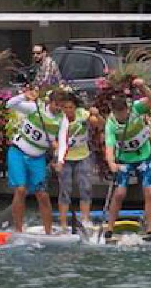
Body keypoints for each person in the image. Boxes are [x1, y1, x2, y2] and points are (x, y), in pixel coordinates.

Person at [6, 87, 69, 234]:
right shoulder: (35, 108)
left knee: (43, 195)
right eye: (56, 105)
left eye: (61, 105)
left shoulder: (62, 120)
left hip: (37, 158)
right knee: (21, 190)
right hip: (18, 152)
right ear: (50, 102)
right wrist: (23, 96)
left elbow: (63, 142)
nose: (58, 108)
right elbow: (10, 104)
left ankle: (48, 233)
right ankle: (18, 230)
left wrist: (60, 161)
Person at [103, 79, 151, 238]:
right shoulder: (111, 124)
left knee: (149, 191)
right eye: (119, 114)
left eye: (124, 113)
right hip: (124, 160)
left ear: (127, 109)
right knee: (119, 193)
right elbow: (110, 146)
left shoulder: (136, 108)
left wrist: (142, 86)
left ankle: (149, 228)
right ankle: (109, 228)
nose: (122, 116)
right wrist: (111, 162)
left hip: (143, 156)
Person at [53, 92, 103, 231]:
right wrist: (57, 157)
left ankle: (85, 220)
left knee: (85, 188)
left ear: (75, 107)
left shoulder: (82, 114)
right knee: (65, 190)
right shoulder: (58, 120)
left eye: (70, 107)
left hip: (83, 156)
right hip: (65, 159)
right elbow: (53, 140)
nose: (68, 110)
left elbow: (100, 124)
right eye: (65, 108)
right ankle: (63, 224)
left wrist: (96, 116)